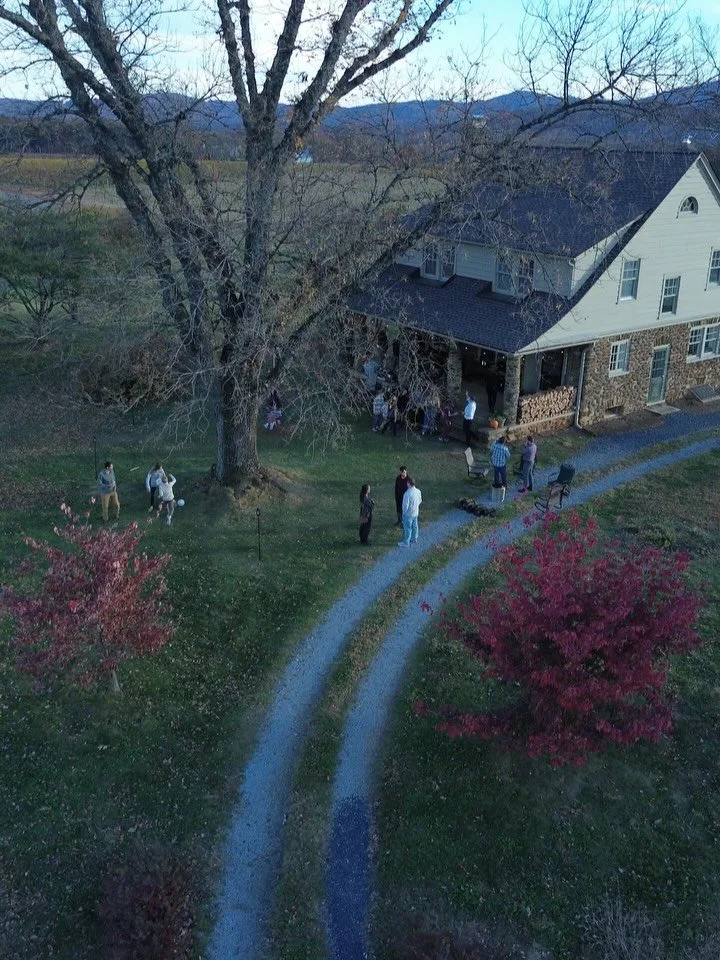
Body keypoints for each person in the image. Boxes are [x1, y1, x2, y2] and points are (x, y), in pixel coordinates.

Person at [398, 477, 422, 547]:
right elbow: (420, 500)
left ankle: (406, 542)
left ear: (409, 484)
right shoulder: (418, 491)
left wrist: (403, 513)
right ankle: (414, 538)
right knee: (415, 526)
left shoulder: (407, 494)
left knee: (407, 528)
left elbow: (405, 506)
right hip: (415, 512)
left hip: (408, 514)